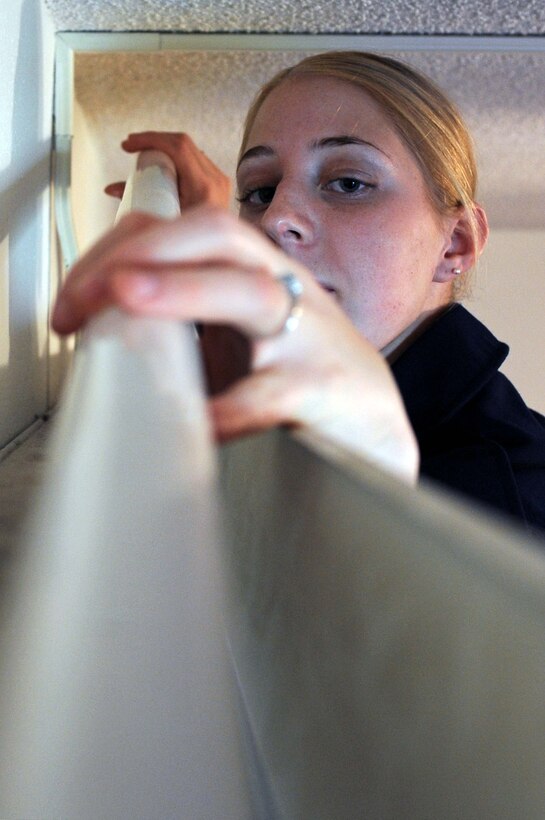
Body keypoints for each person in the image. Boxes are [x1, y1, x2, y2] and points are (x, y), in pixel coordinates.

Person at [52, 50, 545, 535]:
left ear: (455, 244)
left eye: (349, 183)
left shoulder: (515, 490)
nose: (275, 218)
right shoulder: (254, 377)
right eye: (261, 191)